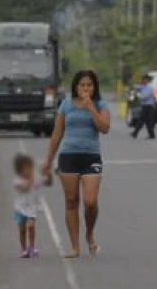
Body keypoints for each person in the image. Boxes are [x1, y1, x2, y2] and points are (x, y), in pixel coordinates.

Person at [41, 69, 110, 259]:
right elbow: (56, 135)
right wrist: (48, 160)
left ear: (94, 87)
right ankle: (74, 245)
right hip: (68, 156)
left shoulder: (100, 105)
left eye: (89, 85)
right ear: (76, 87)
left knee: (90, 202)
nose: (86, 88)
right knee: (71, 202)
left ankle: (89, 233)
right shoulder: (66, 105)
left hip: (91, 157)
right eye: (82, 85)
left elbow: (104, 128)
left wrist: (90, 108)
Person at [13, 153, 51, 258]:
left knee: (30, 226)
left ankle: (32, 246)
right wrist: (32, 180)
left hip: (32, 208)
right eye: (26, 168)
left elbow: (48, 182)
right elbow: (24, 188)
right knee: (22, 229)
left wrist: (47, 172)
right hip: (20, 208)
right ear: (20, 170)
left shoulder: (36, 177)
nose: (29, 170)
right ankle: (23, 248)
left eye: (30, 167)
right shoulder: (18, 180)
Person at [131, 74, 156, 139]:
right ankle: (152, 135)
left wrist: (137, 95)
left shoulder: (149, 87)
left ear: (147, 80)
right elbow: (138, 87)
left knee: (141, 120)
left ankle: (135, 133)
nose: (142, 81)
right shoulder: (144, 86)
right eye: (142, 80)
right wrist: (134, 87)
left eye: (143, 80)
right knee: (148, 122)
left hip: (148, 106)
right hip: (146, 106)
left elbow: (144, 96)